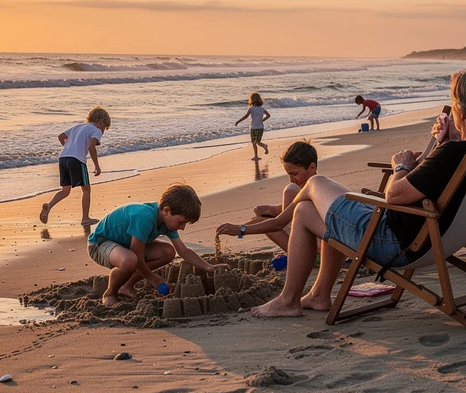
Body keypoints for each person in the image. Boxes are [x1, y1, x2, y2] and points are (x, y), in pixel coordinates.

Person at [241, 69, 466, 318]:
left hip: (392, 241)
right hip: (434, 237)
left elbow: (395, 195)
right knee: (306, 210)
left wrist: (400, 165)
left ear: (461, 109)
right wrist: (442, 144)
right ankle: (320, 296)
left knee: (315, 183)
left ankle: (288, 297)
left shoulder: (453, 155)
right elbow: (436, 181)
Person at [88, 183, 227, 306]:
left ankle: (126, 285)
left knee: (168, 252)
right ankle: (110, 293)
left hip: (125, 247)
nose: (182, 227)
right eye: (181, 222)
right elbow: (136, 256)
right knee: (130, 260)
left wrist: (208, 266)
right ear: (167, 211)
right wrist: (152, 278)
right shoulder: (145, 217)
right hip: (101, 244)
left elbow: (183, 251)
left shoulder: (166, 221)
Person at [216, 141, 318, 252]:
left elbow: (278, 224)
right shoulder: (317, 186)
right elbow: (285, 211)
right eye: (289, 174)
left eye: (294, 174)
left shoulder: (312, 191)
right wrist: (268, 210)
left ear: (312, 168)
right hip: (317, 243)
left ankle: (297, 255)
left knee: (290, 190)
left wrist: (241, 229)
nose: (291, 179)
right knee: (263, 218)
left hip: (316, 252)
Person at [40, 107, 110, 226]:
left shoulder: (78, 127)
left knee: (65, 190)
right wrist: (97, 166)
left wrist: (68, 147)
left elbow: (61, 136)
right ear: (101, 122)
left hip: (63, 158)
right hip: (77, 160)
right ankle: (85, 218)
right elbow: (91, 147)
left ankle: (49, 206)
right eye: (105, 128)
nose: (103, 132)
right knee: (86, 189)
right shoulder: (96, 130)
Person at [236, 92, 270, 160]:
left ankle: (256, 155)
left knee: (254, 142)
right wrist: (262, 120)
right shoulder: (262, 108)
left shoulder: (251, 109)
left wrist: (238, 121)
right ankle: (264, 146)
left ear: (251, 100)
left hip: (254, 127)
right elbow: (268, 115)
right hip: (261, 127)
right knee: (257, 141)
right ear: (260, 99)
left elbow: (245, 116)